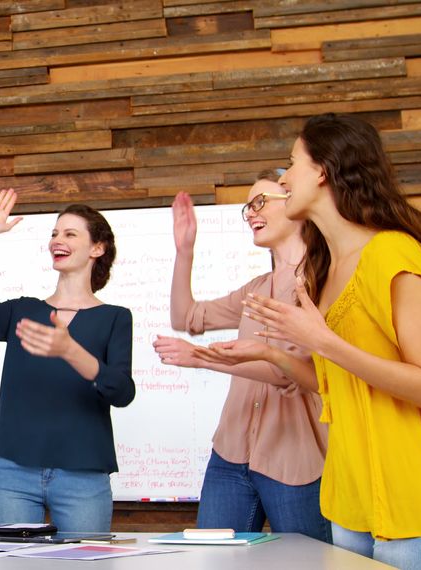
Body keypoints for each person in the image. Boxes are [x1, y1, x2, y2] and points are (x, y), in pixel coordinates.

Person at [203, 113, 421, 569]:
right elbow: (339, 383)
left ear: (322, 171)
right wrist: (272, 352)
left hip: (415, 498)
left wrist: (322, 340)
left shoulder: (394, 253)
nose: (285, 180)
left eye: (291, 164)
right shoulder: (326, 271)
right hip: (351, 499)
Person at [0, 189, 135, 533]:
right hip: (11, 473)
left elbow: (122, 392)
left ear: (97, 248)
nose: (57, 240)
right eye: (55, 233)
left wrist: (70, 350)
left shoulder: (116, 318)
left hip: (83, 477)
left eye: (70, 234)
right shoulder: (24, 311)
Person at [152, 173, 330, 543]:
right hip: (230, 455)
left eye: (260, 201)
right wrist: (185, 252)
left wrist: (201, 359)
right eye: (248, 206)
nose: (250, 212)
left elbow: (291, 374)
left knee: (308, 563)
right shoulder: (256, 289)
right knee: (214, 560)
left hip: (295, 459)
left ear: (296, 204)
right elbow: (185, 317)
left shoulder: (323, 283)